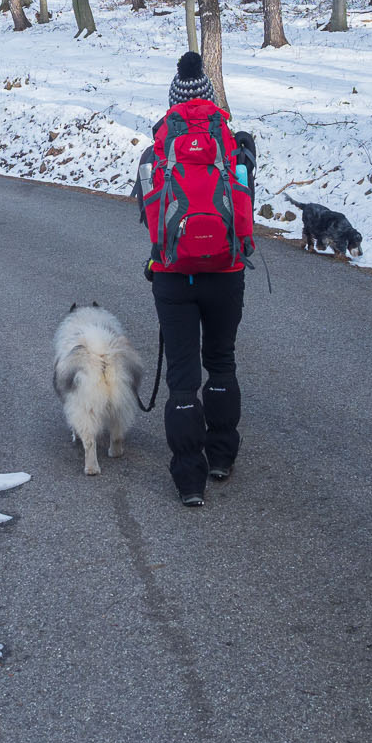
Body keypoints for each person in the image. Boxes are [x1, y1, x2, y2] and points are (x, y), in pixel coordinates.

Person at [134, 51, 256, 508]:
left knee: (183, 379)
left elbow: (150, 219)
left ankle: (190, 480)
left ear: (172, 104)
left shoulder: (155, 152)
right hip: (226, 271)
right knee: (221, 362)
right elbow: (244, 210)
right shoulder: (234, 146)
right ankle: (222, 455)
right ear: (209, 99)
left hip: (173, 276)